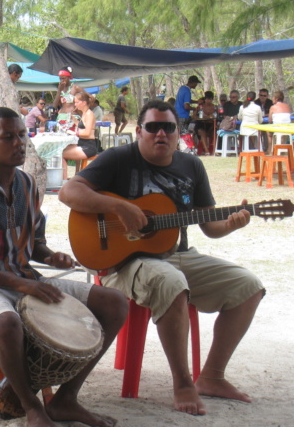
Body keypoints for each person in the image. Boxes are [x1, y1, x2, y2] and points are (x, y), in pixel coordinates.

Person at [59, 99, 265, 416]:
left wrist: (232, 223)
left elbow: (210, 225)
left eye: (168, 127)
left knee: (248, 286)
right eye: (153, 127)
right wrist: (118, 206)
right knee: (171, 282)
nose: (161, 134)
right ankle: (183, 383)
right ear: (139, 131)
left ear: (177, 132)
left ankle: (211, 377)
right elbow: (68, 192)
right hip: (123, 262)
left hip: (178, 255)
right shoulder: (119, 158)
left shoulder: (191, 166)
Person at [0, 107, 127, 427]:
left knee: (114, 303)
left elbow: (33, 243)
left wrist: (51, 255)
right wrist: (21, 285)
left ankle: (66, 399)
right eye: (7, 137)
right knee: (6, 323)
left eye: (22, 135)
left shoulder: (26, 184)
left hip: (24, 279)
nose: (19, 143)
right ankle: (31, 407)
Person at [62, 92, 98, 179]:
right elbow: (83, 127)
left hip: (88, 147)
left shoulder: (89, 114)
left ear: (84, 102)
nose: (75, 104)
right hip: (82, 144)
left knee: (60, 154)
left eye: (77, 102)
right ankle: (65, 178)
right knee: (61, 149)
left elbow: (87, 133)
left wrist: (74, 133)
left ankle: (64, 180)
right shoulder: (84, 113)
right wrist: (75, 121)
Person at [194, 91, 216, 155]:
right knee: (202, 132)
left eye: (210, 99)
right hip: (200, 125)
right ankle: (207, 151)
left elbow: (216, 116)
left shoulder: (214, 107)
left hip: (211, 125)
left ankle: (214, 150)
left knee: (216, 132)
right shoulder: (200, 107)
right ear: (205, 99)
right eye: (207, 99)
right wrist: (200, 118)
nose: (208, 101)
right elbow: (194, 116)